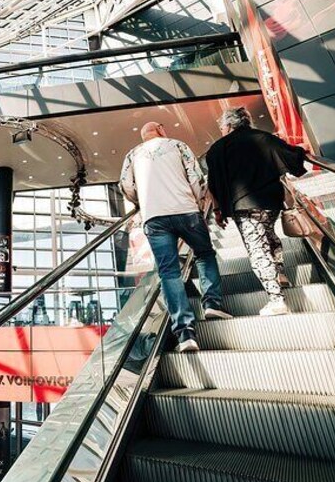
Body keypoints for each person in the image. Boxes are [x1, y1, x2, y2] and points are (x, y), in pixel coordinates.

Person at [119, 121, 230, 353]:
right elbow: (196, 177)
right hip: (186, 210)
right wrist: (200, 201)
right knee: (204, 254)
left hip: (154, 218)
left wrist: (143, 202)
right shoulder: (177, 145)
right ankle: (211, 303)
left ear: (143, 136)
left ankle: (185, 334)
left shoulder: (132, 154)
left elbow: (126, 185)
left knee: (169, 273)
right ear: (160, 130)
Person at [206, 107, 307, 317]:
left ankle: (276, 300)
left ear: (228, 125)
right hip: (270, 202)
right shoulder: (263, 137)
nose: (222, 130)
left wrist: (218, 211)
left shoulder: (217, 149)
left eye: (222, 126)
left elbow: (213, 185)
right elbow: (292, 156)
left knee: (257, 249)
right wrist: (302, 151)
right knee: (269, 236)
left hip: (243, 207)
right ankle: (279, 273)